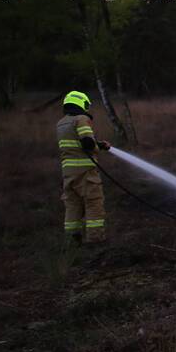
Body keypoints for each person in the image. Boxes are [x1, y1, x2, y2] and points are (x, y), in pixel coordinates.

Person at [57, 91, 111, 245]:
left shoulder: (62, 123)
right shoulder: (81, 119)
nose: (87, 109)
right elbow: (87, 142)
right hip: (85, 172)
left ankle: (72, 241)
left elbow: (76, 143)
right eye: (86, 105)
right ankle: (96, 240)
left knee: (72, 206)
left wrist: (99, 144)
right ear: (81, 103)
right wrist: (95, 145)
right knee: (93, 203)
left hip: (68, 173)